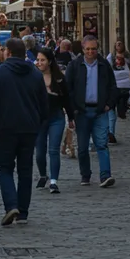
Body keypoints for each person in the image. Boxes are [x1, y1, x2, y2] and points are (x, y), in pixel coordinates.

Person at [0, 37, 48, 226]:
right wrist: (38, 123)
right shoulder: (35, 74)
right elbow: (44, 104)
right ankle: (23, 212)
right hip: (29, 128)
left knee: (5, 168)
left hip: (6, 128)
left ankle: (11, 204)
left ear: (9, 53)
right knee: (25, 170)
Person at [65, 35, 117, 188]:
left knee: (102, 144)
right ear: (83, 49)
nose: (90, 52)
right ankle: (85, 175)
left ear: (97, 49)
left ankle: (105, 175)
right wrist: (73, 109)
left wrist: (108, 104)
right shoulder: (75, 65)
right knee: (82, 147)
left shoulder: (104, 64)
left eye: (93, 49)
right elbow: (68, 89)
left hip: (100, 110)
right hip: (81, 111)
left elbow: (112, 86)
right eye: (87, 49)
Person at [34, 48, 73, 194]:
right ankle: (43, 175)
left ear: (49, 61)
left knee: (53, 150)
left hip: (56, 117)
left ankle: (54, 181)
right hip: (39, 119)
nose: (39, 63)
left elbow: (66, 99)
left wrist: (71, 117)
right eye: (38, 60)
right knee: (39, 152)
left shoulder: (59, 78)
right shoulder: (33, 77)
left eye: (42, 60)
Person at [107, 41, 130, 140]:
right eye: (117, 43)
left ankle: (122, 112)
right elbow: (107, 68)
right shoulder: (111, 56)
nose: (118, 45)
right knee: (111, 109)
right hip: (115, 85)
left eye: (120, 43)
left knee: (121, 109)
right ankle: (111, 133)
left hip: (125, 86)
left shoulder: (127, 56)